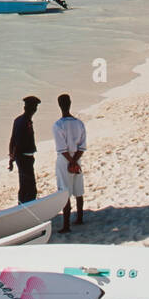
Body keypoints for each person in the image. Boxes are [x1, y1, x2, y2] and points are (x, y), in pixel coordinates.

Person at [53, 93, 86, 234]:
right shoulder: (79, 123)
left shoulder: (58, 125)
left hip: (64, 159)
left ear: (59, 105)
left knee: (64, 190)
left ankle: (66, 225)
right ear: (70, 103)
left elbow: (61, 148)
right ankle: (79, 217)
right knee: (78, 189)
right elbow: (82, 146)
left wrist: (70, 162)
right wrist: (75, 162)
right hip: (77, 157)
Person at [8, 96, 40, 203]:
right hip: (24, 158)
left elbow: (12, 140)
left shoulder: (19, 120)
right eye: (34, 107)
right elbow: (17, 141)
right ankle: (25, 208)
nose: (35, 109)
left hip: (23, 157)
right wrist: (14, 157)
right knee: (30, 188)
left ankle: (22, 205)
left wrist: (12, 158)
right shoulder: (25, 122)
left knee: (24, 185)